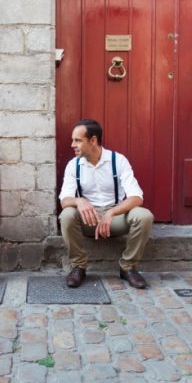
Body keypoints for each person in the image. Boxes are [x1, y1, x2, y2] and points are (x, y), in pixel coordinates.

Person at [58, 119, 154, 289]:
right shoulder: (74, 165)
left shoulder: (118, 161)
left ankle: (128, 267)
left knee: (144, 215)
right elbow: (65, 200)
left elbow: (137, 197)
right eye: (73, 140)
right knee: (66, 215)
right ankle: (78, 266)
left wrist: (111, 213)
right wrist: (79, 200)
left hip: (115, 219)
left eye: (78, 140)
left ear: (93, 140)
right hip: (89, 219)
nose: (73, 144)